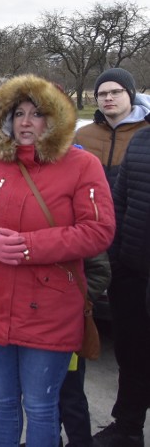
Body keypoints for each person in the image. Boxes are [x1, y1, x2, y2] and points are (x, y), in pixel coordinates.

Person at [0, 74, 115, 447]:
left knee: (41, 405)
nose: (25, 122)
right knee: (2, 399)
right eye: (18, 113)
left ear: (54, 119)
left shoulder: (82, 165)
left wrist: (28, 247)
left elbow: (99, 230)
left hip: (51, 306)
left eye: (36, 114)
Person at [93, 127, 150, 446]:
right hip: (130, 274)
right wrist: (114, 260)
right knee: (132, 355)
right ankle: (128, 427)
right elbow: (119, 203)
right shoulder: (142, 140)